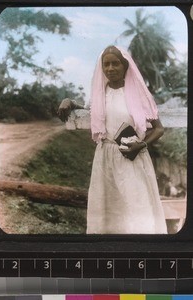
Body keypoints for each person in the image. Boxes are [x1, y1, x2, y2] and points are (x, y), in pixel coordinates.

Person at [58, 45, 167, 234]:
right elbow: (89, 109)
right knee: (107, 210)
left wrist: (141, 144)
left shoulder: (138, 93)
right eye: (106, 64)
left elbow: (159, 129)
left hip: (132, 157)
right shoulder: (101, 93)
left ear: (125, 66)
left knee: (136, 209)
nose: (110, 68)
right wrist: (68, 101)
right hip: (105, 158)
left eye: (115, 64)